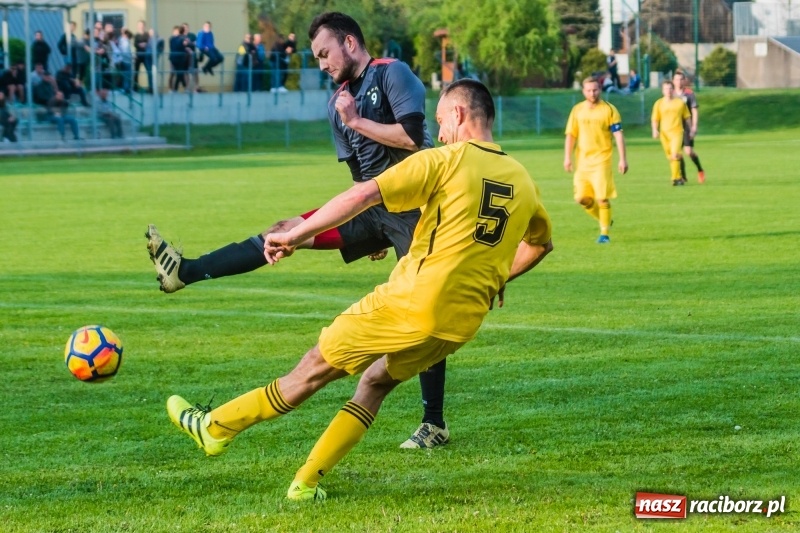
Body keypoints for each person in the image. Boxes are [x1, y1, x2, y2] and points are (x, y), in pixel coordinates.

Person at [165, 78, 554, 502]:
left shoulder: (446, 160)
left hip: (413, 302)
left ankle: (214, 427)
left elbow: (365, 194)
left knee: (312, 369)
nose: (440, 132)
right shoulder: (523, 180)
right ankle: (305, 484)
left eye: (441, 121)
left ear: (459, 115)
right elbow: (539, 244)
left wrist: (297, 233)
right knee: (374, 383)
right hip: (460, 323)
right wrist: (497, 277)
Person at [147, 12, 456, 450]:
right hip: (372, 208)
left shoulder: (392, 74)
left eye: (325, 53)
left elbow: (411, 137)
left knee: (426, 310)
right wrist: (367, 231)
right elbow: (359, 178)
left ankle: (434, 423)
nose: (322, 64)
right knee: (283, 232)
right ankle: (187, 271)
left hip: (415, 209)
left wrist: (357, 122)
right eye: (316, 57)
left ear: (350, 42)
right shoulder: (339, 102)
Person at [564, 77, 628, 244]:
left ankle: (604, 233)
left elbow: (618, 134)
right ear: (583, 91)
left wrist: (623, 159)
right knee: (581, 199)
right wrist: (567, 157)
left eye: (595, 90)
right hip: (583, 162)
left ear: (600, 89)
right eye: (589, 90)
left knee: (601, 198)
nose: (592, 93)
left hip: (602, 160)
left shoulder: (609, 109)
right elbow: (571, 135)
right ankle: (604, 219)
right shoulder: (577, 110)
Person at [652, 80, 691, 186]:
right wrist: (655, 130)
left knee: (674, 154)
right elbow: (655, 119)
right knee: (670, 157)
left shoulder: (680, 103)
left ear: (673, 90)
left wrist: (690, 129)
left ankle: (676, 178)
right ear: (662, 90)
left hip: (677, 132)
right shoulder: (658, 103)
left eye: (670, 88)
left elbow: (687, 117)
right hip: (664, 134)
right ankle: (679, 177)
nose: (668, 91)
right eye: (666, 88)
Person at [673, 71, 705, 184]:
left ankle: (700, 169)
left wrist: (694, 126)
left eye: (681, 79)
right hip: (675, 127)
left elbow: (694, 110)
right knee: (677, 153)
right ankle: (683, 176)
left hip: (686, 126)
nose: (679, 82)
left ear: (684, 80)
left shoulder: (689, 94)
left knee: (689, 151)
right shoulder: (671, 94)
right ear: (673, 81)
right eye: (676, 79)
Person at [133, 21, 150, 92]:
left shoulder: (147, 34)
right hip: (138, 55)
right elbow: (135, 44)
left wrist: (145, 44)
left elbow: (149, 42)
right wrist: (139, 45)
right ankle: (135, 87)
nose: (141, 26)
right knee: (136, 72)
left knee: (149, 71)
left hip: (146, 55)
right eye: (139, 25)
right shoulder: (136, 35)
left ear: (144, 26)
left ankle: (151, 87)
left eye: (142, 25)